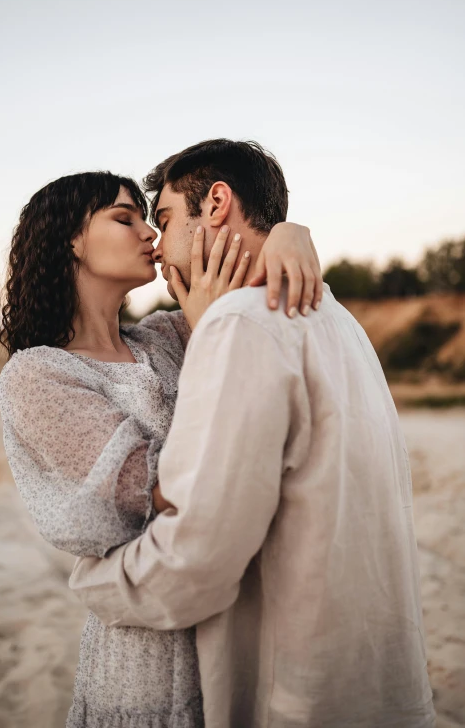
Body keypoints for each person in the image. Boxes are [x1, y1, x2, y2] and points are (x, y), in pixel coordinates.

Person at [69, 140, 436, 728]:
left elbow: (197, 558)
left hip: (296, 697)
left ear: (216, 203)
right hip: (382, 688)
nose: (158, 245)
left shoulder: (241, 326)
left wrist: (99, 581)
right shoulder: (340, 321)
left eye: (162, 218)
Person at [0, 166, 322, 728]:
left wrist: (290, 233)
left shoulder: (169, 334)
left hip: (238, 615)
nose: (150, 234)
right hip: (146, 640)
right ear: (70, 240)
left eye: (150, 220)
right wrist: (208, 332)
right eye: (125, 219)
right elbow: (164, 491)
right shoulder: (39, 375)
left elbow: (260, 275)